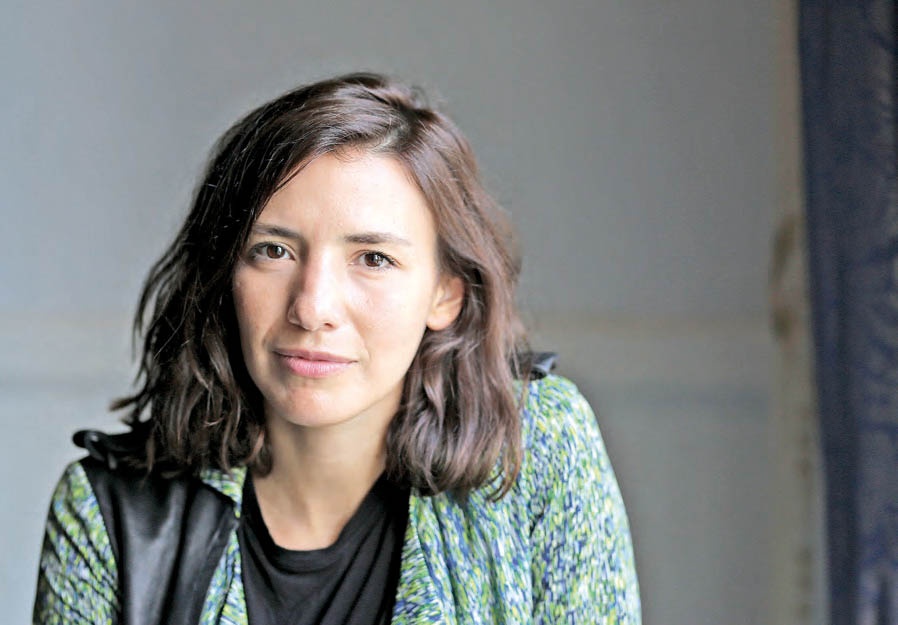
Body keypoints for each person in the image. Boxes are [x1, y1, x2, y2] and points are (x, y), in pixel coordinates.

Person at [32, 72, 640, 624]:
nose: (312, 307)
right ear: (225, 274)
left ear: (445, 294)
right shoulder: (105, 515)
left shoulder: (535, 445)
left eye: (373, 259)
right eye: (273, 250)